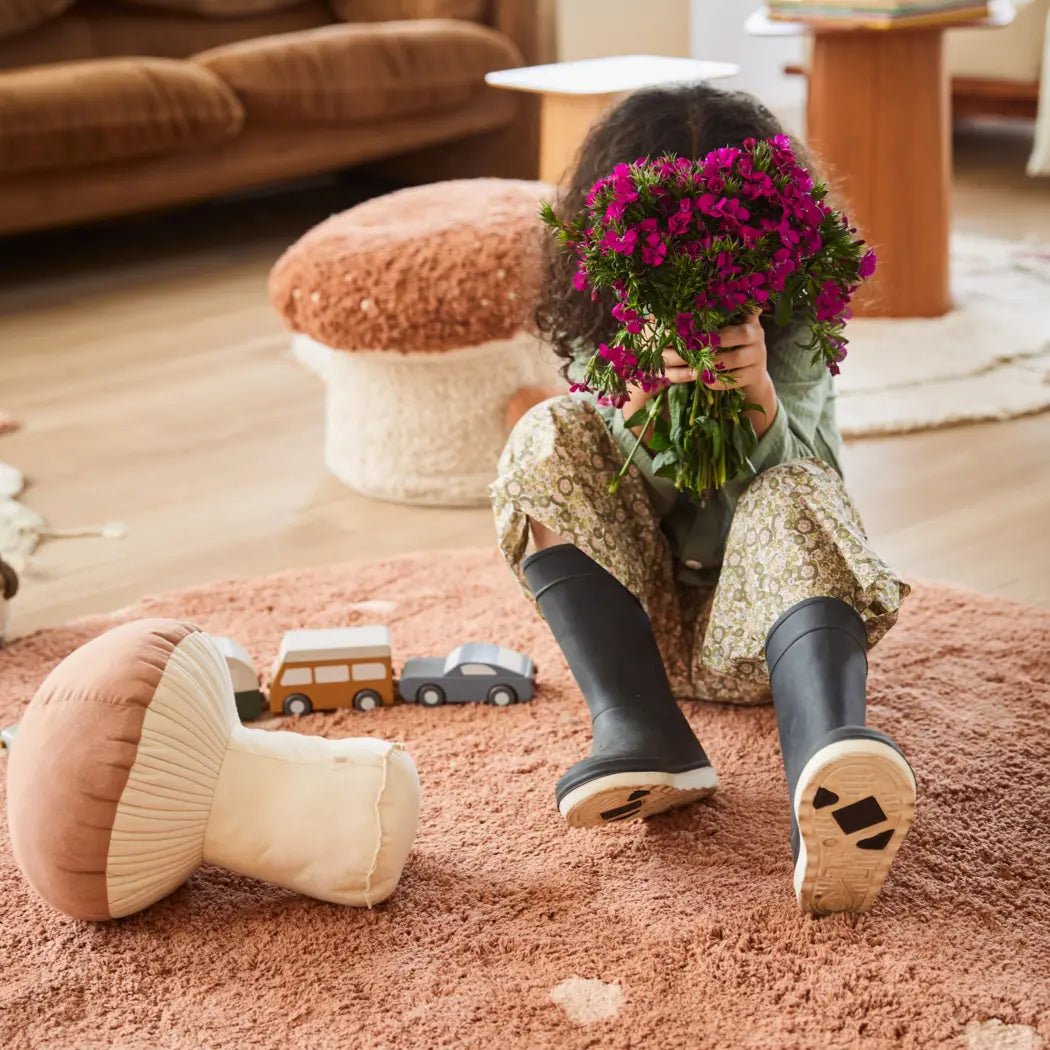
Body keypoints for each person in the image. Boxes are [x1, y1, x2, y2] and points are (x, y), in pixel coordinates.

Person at [491, 84, 917, 917]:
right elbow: (597, 504)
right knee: (548, 430)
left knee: (795, 484)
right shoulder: (603, 327)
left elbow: (817, 493)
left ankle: (825, 769)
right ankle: (639, 730)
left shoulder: (794, 328)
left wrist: (758, 392)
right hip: (642, 637)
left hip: (765, 645)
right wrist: (643, 407)